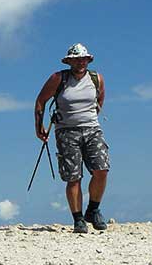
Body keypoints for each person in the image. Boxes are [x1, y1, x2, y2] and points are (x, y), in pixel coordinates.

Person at [34, 43, 110, 234]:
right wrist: (39, 126)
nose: (81, 62)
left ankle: (93, 210)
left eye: (83, 59)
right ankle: (78, 219)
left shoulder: (96, 78)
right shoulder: (58, 78)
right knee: (73, 177)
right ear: (70, 61)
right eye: (77, 59)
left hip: (92, 128)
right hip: (66, 131)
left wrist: (89, 116)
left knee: (101, 169)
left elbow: (99, 100)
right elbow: (40, 100)